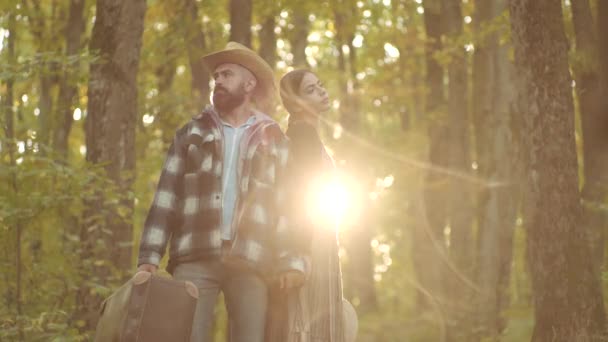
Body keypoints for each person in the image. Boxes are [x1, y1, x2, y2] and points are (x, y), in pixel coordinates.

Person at [136, 42, 306, 342]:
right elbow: (166, 196)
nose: (219, 81)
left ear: (249, 83)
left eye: (227, 74)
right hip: (193, 255)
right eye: (216, 76)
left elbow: (288, 204)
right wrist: (149, 255)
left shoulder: (275, 138)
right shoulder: (191, 132)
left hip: (252, 258)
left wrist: (291, 260)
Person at [266, 69, 358, 342]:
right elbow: (298, 196)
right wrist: (299, 252)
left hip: (317, 243)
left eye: (320, 85)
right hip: (308, 247)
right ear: (295, 102)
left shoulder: (308, 136)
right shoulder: (301, 136)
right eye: (311, 90)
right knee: (303, 324)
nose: (322, 91)